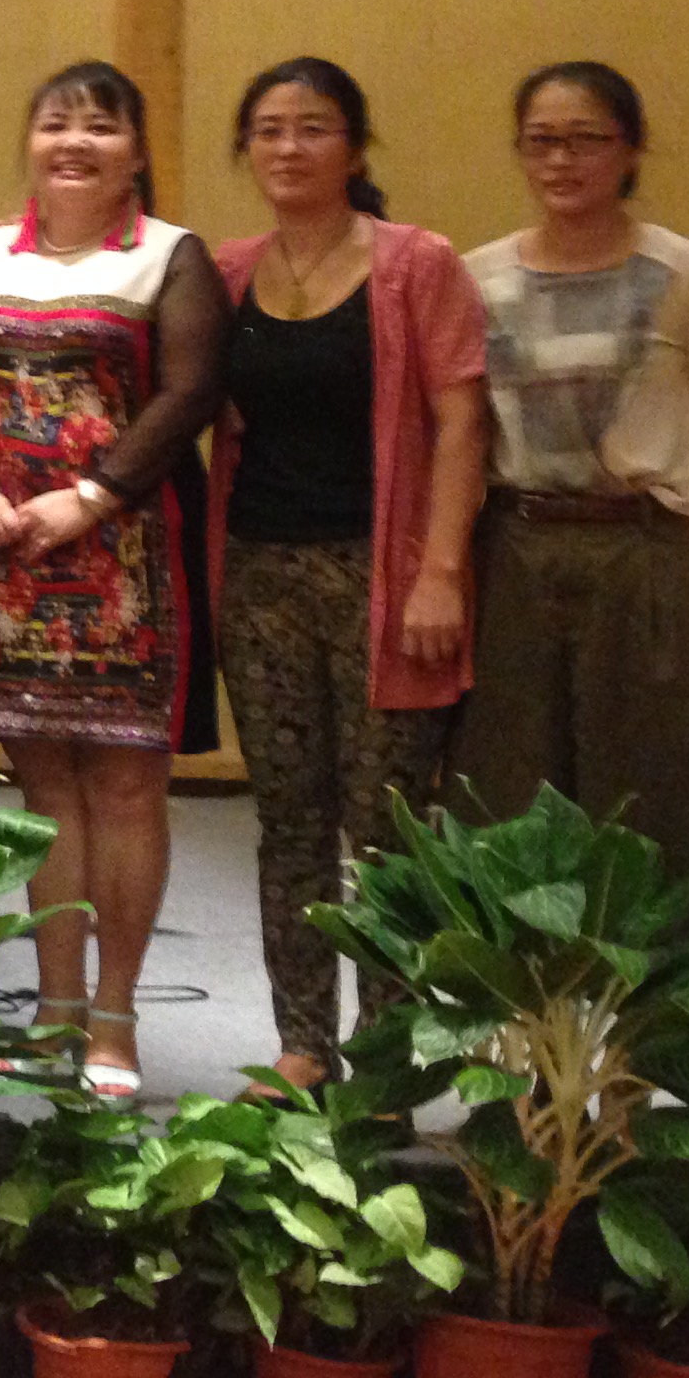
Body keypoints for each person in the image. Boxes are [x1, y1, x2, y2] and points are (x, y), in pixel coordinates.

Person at [0, 60, 225, 1101]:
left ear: (136, 152)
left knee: (127, 785)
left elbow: (188, 395)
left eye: (101, 127)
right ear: (30, 143)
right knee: (42, 785)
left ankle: (116, 1019)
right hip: (9, 559)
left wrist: (90, 498)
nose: (75, 143)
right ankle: (54, 1012)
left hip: (129, 558)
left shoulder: (170, 257)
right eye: (56, 124)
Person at [208, 59, 487, 1093]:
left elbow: (464, 421)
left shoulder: (417, 263)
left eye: (313, 127)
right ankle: (303, 1046)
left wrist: (441, 571)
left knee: (385, 828)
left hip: (384, 576)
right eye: (269, 129)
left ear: (355, 147)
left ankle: (386, 1056)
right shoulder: (229, 273)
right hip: (259, 578)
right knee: (288, 819)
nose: (289, 147)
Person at [455, 63, 689, 896]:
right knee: (509, 779)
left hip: (639, 553)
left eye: (585, 139)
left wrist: (658, 534)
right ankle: (519, 978)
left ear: (630, 150)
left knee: (647, 780)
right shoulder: (478, 278)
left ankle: (648, 980)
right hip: (514, 549)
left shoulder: (686, 273)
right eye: (541, 142)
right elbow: (466, 430)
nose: (561, 161)